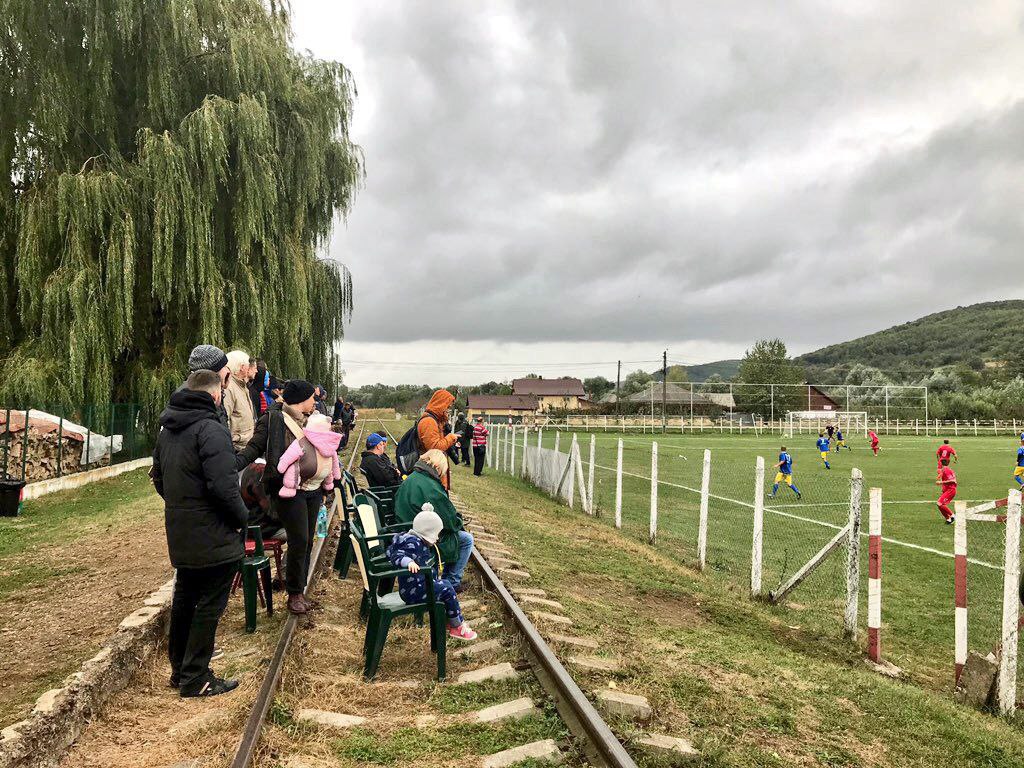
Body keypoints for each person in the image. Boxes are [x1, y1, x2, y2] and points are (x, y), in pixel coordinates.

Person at [151, 369, 247, 697]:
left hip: (181, 528)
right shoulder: (211, 429)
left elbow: (159, 478)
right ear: (216, 394)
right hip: (214, 532)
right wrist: (241, 518)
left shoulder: (168, 429)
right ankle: (196, 677)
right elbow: (224, 487)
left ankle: (180, 670)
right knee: (209, 604)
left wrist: (183, 506)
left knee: (185, 598)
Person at [236, 379, 320, 615]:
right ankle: (294, 594)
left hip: (312, 489)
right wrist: (231, 465)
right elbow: (254, 447)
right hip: (287, 490)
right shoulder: (273, 419)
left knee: (307, 540)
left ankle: (300, 588)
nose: (314, 402)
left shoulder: (311, 421)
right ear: (302, 399)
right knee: (299, 540)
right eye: (311, 398)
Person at [387, 508, 477, 640]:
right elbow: (396, 555)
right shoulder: (413, 544)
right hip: (415, 592)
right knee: (447, 589)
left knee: (444, 584)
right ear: (427, 532)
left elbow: (390, 551)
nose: (438, 537)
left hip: (413, 588)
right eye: (436, 534)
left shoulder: (410, 539)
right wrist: (408, 562)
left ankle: (451, 620)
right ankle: (456, 626)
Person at [393, 449, 473, 590]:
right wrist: (459, 521)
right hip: (420, 536)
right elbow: (449, 521)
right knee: (466, 539)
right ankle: (452, 582)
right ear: (437, 466)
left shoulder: (414, 477)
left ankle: (447, 580)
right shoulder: (430, 486)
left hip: (406, 528)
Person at [277, 413, 342, 497]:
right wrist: (337, 475)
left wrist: (281, 466)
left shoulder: (328, 444)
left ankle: (327, 484)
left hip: (315, 486)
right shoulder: (304, 442)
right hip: (303, 487)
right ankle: (289, 488)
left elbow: (289, 455)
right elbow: (290, 455)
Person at [417, 390, 460, 489]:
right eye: (447, 407)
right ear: (440, 404)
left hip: (435, 471)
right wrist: (451, 438)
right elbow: (434, 448)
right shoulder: (429, 422)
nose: (448, 410)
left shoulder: (436, 420)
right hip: (430, 473)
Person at [185, 344, 230, 428]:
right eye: (224, 366)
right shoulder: (196, 403)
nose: (228, 370)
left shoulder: (212, 395)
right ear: (213, 373)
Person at [223, 350, 256, 451]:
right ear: (242, 367)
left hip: (245, 446)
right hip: (236, 448)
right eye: (247, 365)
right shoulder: (229, 388)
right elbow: (225, 418)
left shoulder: (242, 386)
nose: (249, 367)